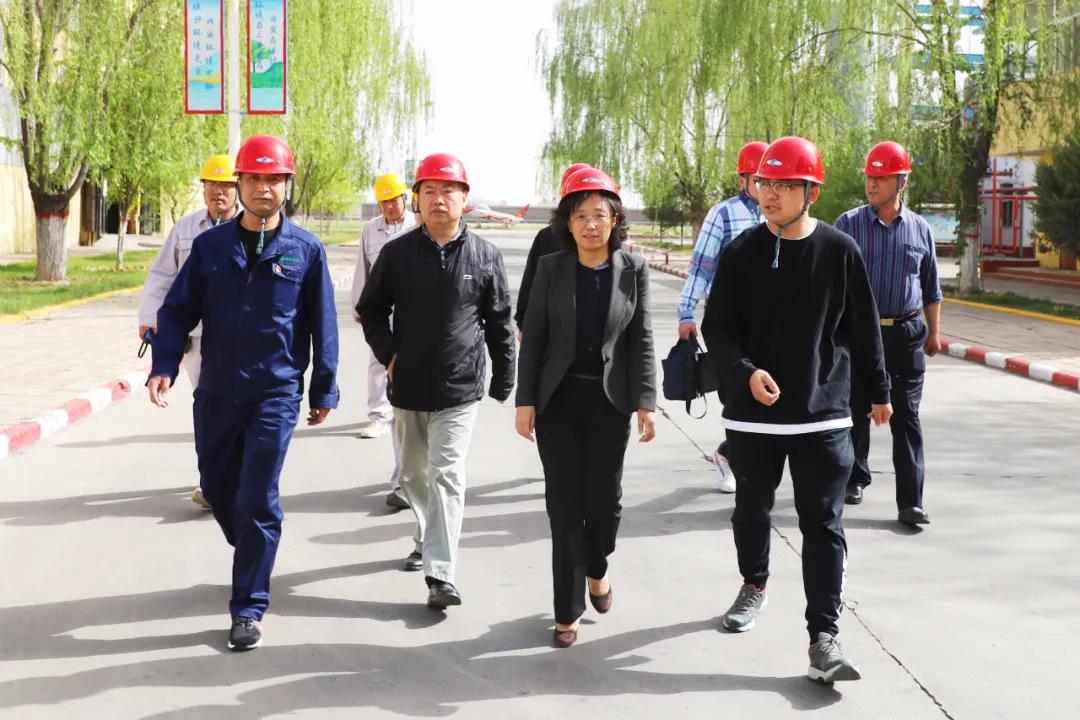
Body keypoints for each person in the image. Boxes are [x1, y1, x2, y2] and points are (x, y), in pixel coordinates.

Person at [701, 136, 892, 683]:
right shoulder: (742, 252)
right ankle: (753, 584)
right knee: (750, 512)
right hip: (752, 416)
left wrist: (879, 393)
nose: (771, 194)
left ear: (811, 192)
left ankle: (823, 638)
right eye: (766, 183)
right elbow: (718, 328)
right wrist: (745, 372)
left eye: (786, 185)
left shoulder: (839, 251)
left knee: (823, 524)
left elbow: (863, 330)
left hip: (823, 413)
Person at [146, 135, 339, 651]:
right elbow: (177, 310)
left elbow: (323, 324)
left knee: (257, 499)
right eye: (254, 178)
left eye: (273, 179)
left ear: (286, 184)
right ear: (239, 184)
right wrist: (164, 363)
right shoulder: (210, 247)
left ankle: (248, 608)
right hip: (216, 390)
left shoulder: (306, 250)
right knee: (217, 485)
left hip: (275, 393)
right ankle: (255, 545)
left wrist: (324, 387)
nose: (263, 188)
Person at [357, 152, 515, 608]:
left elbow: (500, 321)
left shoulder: (485, 255)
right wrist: (388, 354)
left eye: (448, 190)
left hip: (460, 387)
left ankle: (440, 574)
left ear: (465, 198)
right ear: (417, 200)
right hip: (408, 386)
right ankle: (426, 535)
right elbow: (371, 310)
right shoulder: (397, 254)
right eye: (429, 191)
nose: (439, 199)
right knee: (413, 474)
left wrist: (505, 377)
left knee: (447, 474)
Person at [515, 167, 657, 648]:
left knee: (604, 504)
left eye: (599, 215)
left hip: (609, 404)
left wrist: (646, 401)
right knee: (564, 506)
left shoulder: (633, 270)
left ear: (615, 220)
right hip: (558, 402)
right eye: (580, 216)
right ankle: (566, 611)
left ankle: (598, 567)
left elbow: (641, 339)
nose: (590, 225)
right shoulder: (551, 269)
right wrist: (525, 400)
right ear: (567, 224)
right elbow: (534, 338)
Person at [836, 141, 942, 526]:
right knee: (856, 410)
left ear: (901, 182)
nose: (872, 184)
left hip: (907, 334)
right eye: (869, 177)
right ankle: (855, 477)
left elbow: (931, 288)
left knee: (907, 415)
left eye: (880, 178)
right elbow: (832, 283)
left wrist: (934, 334)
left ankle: (911, 502)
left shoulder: (920, 230)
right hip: (860, 335)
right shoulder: (848, 225)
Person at [138, 153, 239, 510]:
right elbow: (162, 275)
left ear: (238, 188)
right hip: (196, 336)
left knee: (238, 409)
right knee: (208, 407)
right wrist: (150, 316)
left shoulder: (250, 228)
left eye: (226, 185)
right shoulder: (185, 228)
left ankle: (233, 476)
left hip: (239, 338)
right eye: (212, 184)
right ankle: (212, 481)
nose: (218, 192)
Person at [676, 141, 767, 493]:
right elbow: (701, 266)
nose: (767, 188)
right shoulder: (723, 214)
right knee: (737, 397)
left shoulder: (780, 214)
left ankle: (732, 453)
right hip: (728, 323)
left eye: (772, 180)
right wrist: (686, 311)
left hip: (769, 324)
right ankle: (732, 461)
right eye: (758, 180)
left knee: (767, 397)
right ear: (743, 180)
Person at [350, 172, 415, 512]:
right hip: (380, 309)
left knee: (405, 373)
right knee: (379, 362)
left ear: (405, 199)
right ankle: (378, 414)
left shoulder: (418, 225)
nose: (390, 206)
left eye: (394, 200)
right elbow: (362, 268)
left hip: (410, 312)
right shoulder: (370, 230)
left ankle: (411, 475)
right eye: (384, 202)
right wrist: (359, 306)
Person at [514, 163, 591, 336]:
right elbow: (531, 282)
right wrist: (524, 323)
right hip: (553, 329)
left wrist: (523, 323)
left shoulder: (603, 237)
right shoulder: (546, 237)